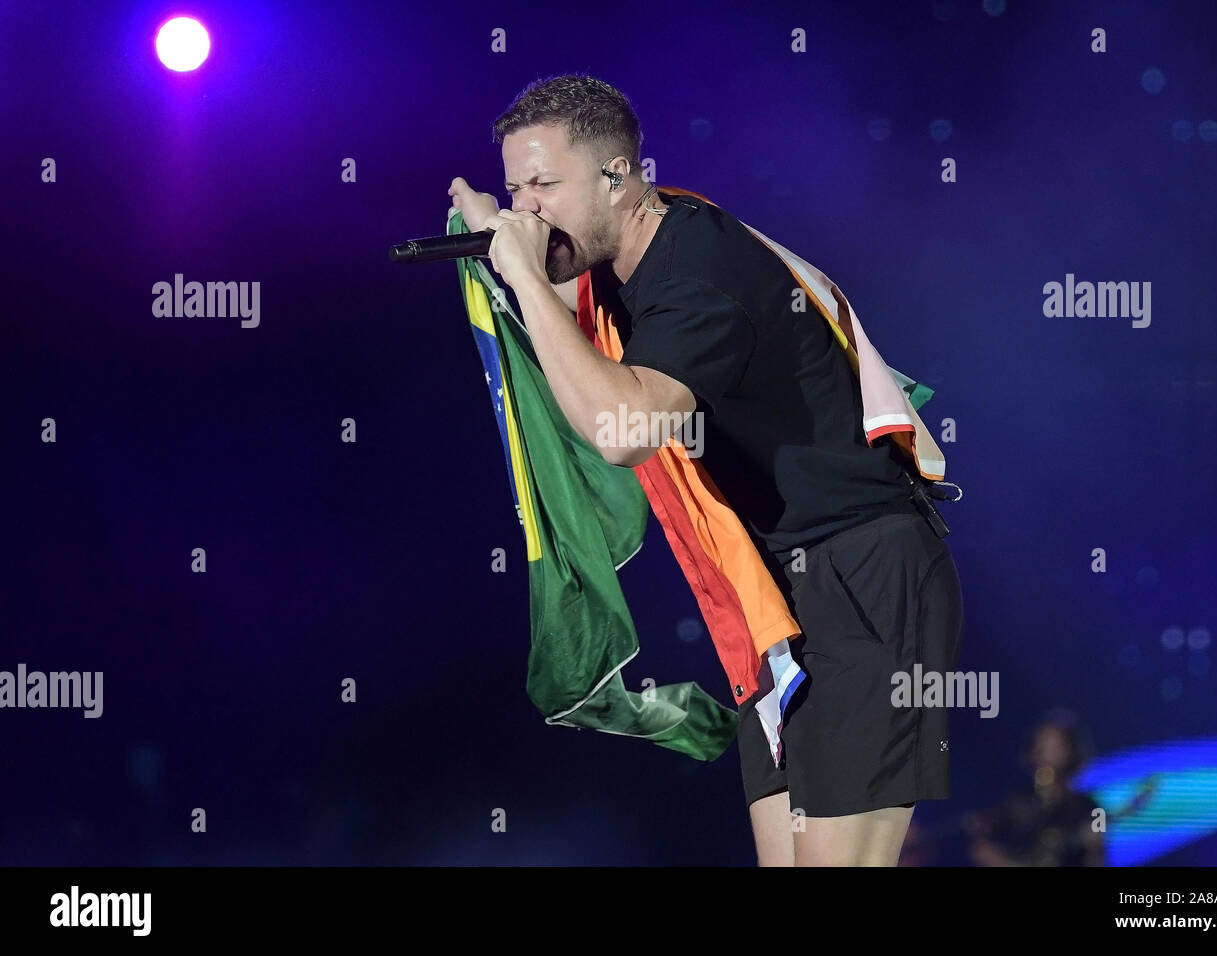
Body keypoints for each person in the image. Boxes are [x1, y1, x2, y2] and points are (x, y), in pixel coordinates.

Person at [448, 73, 964, 867]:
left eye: (545, 184)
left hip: (861, 574)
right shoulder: (623, 267)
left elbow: (622, 428)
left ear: (619, 176)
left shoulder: (698, 269)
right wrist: (513, 254)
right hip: (773, 598)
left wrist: (519, 272)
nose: (526, 210)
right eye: (517, 188)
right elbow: (571, 337)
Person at [965, 711, 1106, 867]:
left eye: (1053, 747)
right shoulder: (1018, 804)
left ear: (1070, 752)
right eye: (1039, 746)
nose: (1042, 754)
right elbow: (982, 843)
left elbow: (1096, 858)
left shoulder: (1087, 809)